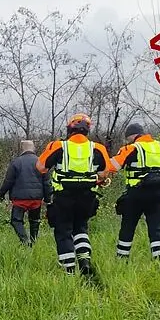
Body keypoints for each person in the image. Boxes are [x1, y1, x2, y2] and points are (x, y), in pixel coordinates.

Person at [35, 114, 112, 274]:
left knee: (63, 230)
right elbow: (105, 172)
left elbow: (40, 167)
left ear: (70, 129)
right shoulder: (98, 148)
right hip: (87, 197)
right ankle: (84, 261)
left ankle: (69, 270)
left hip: (63, 196)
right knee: (81, 227)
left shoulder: (58, 146)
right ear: (87, 130)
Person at [107, 122, 160, 261]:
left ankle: (122, 259)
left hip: (136, 193)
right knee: (156, 227)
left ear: (131, 136)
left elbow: (112, 166)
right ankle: (159, 260)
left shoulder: (130, 148)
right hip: (158, 193)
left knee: (128, 226)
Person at [0, 139, 51, 246]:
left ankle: (25, 242)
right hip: (36, 199)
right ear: (33, 148)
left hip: (20, 199)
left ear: (22, 149)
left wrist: (1, 194)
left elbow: (8, 181)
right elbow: (47, 183)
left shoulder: (16, 162)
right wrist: (48, 199)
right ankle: (33, 242)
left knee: (16, 221)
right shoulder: (41, 162)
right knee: (34, 221)